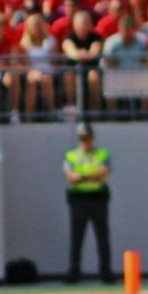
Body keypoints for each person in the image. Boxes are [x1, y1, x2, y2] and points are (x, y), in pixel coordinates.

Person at [62, 120, 112, 284]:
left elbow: (104, 173)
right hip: (78, 200)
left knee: (102, 237)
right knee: (76, 237)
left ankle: (106, 273)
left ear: (93, 138)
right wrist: (91, 176)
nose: (85, 141)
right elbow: (70, 178)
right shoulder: (71, 155)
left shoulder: (102, 153)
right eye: (82, 138)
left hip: (98, 198)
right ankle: (74, 272)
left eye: (88, 138)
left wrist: (82, 177)